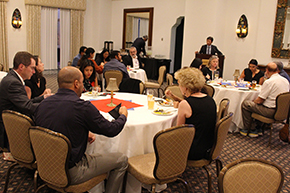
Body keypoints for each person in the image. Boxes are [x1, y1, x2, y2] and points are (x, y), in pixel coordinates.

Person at [34, 66, 128, 193]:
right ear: (76, 84)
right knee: (122, 160)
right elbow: (111, 130)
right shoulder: (82, 107)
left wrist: (83, 130)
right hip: (71, 171)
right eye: (82, 82)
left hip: (45, 165)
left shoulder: (42, 104)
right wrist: (123, 116)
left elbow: (54, 125)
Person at [0, 51, 50, 151]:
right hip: (11, 129)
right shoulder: (13, 83)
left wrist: (43, 98)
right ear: (22, 67)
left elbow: (26, 102)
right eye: (32, 68)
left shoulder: (13, 79)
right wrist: (49, 105)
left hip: (14, 121)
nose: (34, 71)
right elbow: (27, 107)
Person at [173, 67, 216, 160]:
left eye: (179, 83)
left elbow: (178, 132)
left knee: (160, 140)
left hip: (192, 150)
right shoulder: (210, 99)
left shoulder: (185, 104)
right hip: (209, 146)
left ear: (185, 87)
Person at [240, 62, 289, 137]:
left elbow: (259, 101)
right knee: (260, 105)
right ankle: (259, 127)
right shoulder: (285, 81)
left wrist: (253, 102)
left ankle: (251, 129)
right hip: (283, 112)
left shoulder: (269, 82)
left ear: (267, 71)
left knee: (246, 104)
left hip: (270, 111)